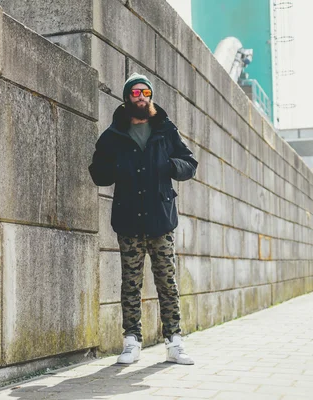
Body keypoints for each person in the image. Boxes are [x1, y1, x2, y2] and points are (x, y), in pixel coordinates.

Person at [89, 73, 198, 365]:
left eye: (145, 92)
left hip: (161, 220)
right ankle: (131, 341)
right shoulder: (113, 135)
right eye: (135, 93)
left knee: (167, 281)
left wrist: (170, 166)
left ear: (150, 97)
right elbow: (98, 173)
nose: (141, 97)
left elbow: (190, 163)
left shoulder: (164, 129)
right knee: (130, 283)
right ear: (127, 98)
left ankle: (174, 341)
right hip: (128, 221)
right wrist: (108, 165)